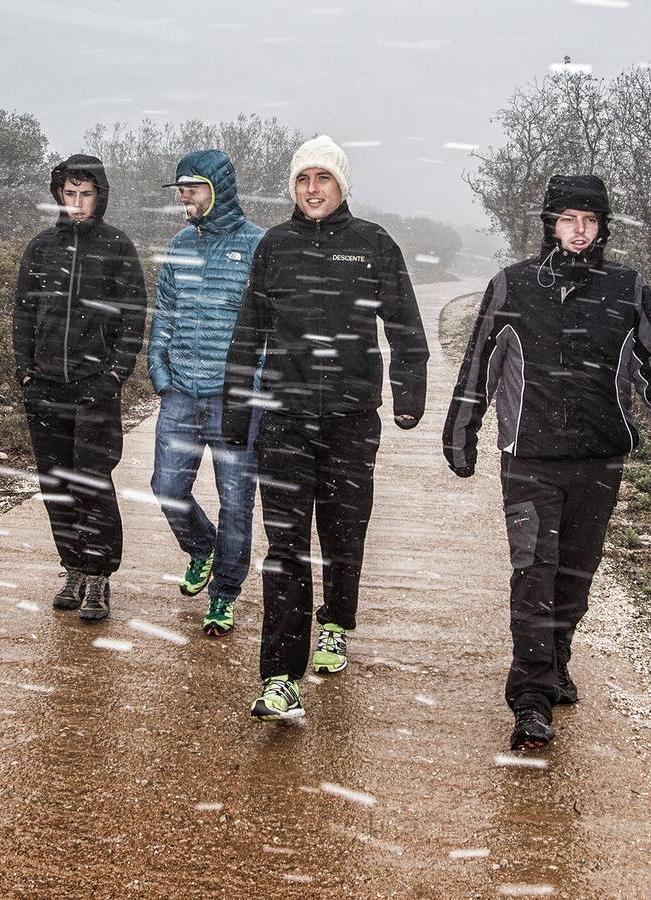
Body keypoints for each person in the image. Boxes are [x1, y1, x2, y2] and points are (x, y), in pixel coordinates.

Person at [442, 174, 651, 752]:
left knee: (574, 576)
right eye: (568, 220)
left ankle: (556, 659)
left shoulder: (627, 288)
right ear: (549, 225)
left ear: (603, 227)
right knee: (533, 575)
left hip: (599, 457)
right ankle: (532, 699)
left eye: (589, 221)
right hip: (528, 458)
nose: (579, 231)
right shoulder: (512, 285)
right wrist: (461, 433)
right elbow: (477, 365)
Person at [221, 135, 429, 722]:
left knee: (342, 534)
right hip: (284, 418)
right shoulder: (274, 246)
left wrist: (407, 396)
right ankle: (279, 678)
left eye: (324, 179)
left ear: (341, 186)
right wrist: (237, 412)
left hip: (350, 418)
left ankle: (335, 622)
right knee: (285, 548)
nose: (313, 189)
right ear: (293, 188)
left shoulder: (372, 245)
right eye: (303, 180)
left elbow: (406, 328)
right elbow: (248, 334)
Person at [11, 154, 147, 622]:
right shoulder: (42, 247)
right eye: (69, 194)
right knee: (57, 485)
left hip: (94, 388)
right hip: (45, 387)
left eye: (86, 194)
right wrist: (25, 371)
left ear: (100, 196)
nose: (77, 203)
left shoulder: (117, 246)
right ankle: (71, 567)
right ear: (59, 195)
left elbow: (133, 316)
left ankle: (98, 576)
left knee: (92, 483)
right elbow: (24, 313)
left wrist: (115, 374)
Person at [146, 149, 267, 637]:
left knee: (236, 500)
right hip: (180, 393)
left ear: (219, 190)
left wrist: (253, 384)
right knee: (166, 488)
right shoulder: (178, 245)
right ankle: (202, 548)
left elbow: (268, 326)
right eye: (180, 188)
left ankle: (223, 594)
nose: (184, 197)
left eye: (192, 187)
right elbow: (165, 315)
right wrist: (160, 372)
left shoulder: (259, 245)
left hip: (233, 399)